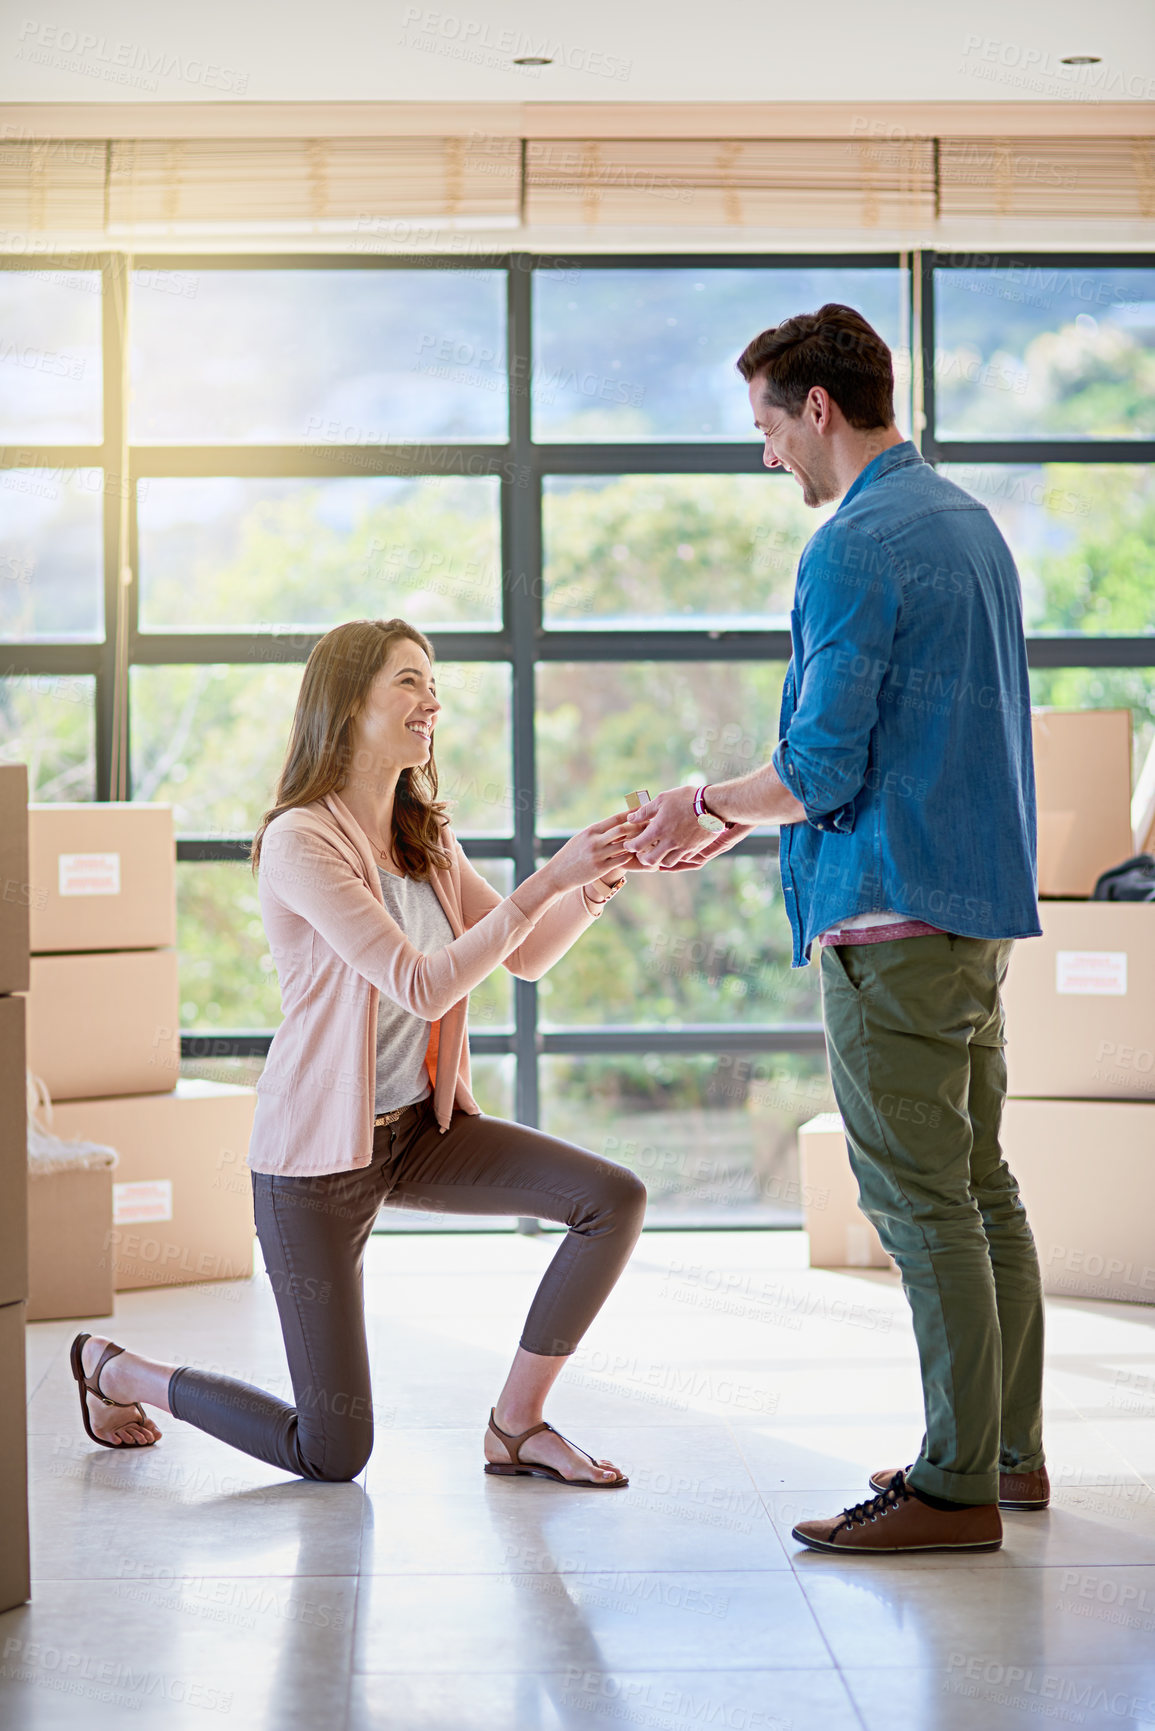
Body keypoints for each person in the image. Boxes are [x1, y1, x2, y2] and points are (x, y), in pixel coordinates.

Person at [626, 303, 1047, 1555]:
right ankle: (1004, 1452)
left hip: (891, 923)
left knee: (919, 1202)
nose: (767, 456)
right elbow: (907, 745)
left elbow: (817, 766)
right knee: (979, 1187)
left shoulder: (853, 546)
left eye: (766, 425)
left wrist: (700, 804)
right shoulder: (969, 526)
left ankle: (954, 1485)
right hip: (969, 910)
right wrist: (737, 823)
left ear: (818, 407)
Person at [70, 617, 648, 1488]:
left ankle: (516, 1425)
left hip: (419, 1127)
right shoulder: (301, 840)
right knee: (332, 1452)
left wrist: (598, 879)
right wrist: (550, 877)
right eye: (408, 682)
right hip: (313, 1164)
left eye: (432, 682)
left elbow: (524, 955)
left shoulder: (421, 835)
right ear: (346, 705)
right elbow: (421, 983)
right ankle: (118, 1371)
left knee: (611, 1197)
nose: (432, 702)